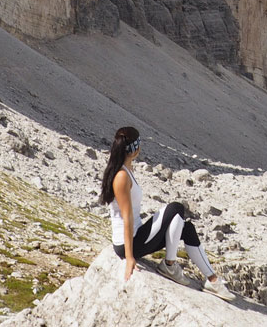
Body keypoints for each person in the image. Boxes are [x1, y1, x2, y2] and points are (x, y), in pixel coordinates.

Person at [99, 125, 235, 301]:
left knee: (186, 229)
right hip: (128, 243)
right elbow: (127, 218)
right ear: (134, 149)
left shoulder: (126, 169)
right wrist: (130, 257)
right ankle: (170, 265)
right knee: (176, 208)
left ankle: (212, 280)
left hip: (137, 235)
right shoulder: (121, 177)